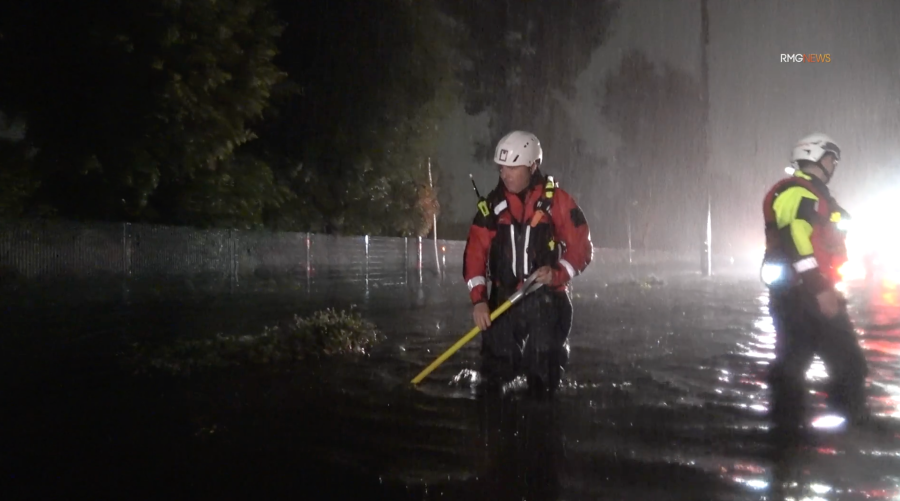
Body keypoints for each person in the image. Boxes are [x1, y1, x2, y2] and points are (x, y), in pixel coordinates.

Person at [463, 130, 593, 396]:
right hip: (503, 300)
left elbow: (582, 247)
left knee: (542, 371)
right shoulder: (492, 207)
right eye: (501, 168)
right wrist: (479, 301)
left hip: (545, 298)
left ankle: (543, 421)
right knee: (495, 375)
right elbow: (475, 253)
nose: (505, 174)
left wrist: (558, 273)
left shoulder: (556, 201)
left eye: (512, 167)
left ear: (533, 166)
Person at [761, 132, 868, 430]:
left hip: (802, 294)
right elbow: (796, 240)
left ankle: (789, 436)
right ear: (818, 157)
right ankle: (846, 433)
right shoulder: (798, 192)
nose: (834, 165)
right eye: (831, 158)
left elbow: (828, 232)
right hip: (806, 295)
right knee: (847, 365)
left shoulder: (814, 195)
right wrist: (820, 288)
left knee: (794, 366)